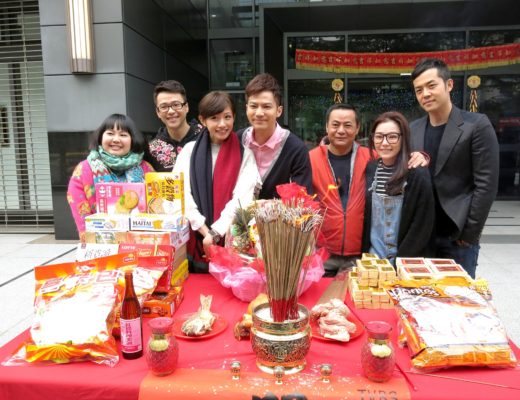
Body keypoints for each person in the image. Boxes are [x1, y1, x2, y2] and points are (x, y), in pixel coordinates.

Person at [310, 104, 429, 277]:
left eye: (348, 125)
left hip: (360, 255)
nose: (341, 130)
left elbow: (396, 158)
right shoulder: (310, 158)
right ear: (327, 127)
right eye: (335, 125)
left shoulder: (371, 158)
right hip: (322, 253)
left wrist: (421, 156)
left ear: (357, 128)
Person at [410, 58, 499, 278]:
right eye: (419, 90)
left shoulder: (475, 125)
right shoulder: (413, 129)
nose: (425, 94)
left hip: (457, 236)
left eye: (431, 86)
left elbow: (486, 185)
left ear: (449, 85)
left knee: (458, 296)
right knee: (422, 295)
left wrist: (469, 234)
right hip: (422, 236)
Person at [173, 91, 260, 273]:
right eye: (214, 118)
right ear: (203, 120)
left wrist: (215, 233)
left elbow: (242, 200)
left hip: (231, 241)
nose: (222, 124)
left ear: (234, 117)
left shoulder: (245, 154)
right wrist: (205, 231)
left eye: (227, 117)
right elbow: (180, 194)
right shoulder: (189, 151)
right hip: (194, 239)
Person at [361, 112, 435, 264]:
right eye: (379, 136)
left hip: (404, 260)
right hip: (373, 259)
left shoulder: (416, 173)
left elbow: (422, 225)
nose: (384, 143)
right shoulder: (371, 168)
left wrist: (400, 264)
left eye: (392, 137)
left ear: (403, 138)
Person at [67, 114, 154, 241]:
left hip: (140, 241)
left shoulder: (146, 168)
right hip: (101, 242)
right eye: (110, 133)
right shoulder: (84, 169)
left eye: (123, 135)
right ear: (101, 137)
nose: (116, 139)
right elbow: (80, 213)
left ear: (133, 139)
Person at [238, 73, 313, 199]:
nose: (259, 113)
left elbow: (302, 199)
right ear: (246, 109)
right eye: (253, 106)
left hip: (281, 213)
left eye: (266, 106)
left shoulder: (296, 149)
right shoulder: (238, 140)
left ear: (279, 111)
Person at [145, 80, 203, 172]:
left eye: (176, 104)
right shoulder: (151, 150)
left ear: (186, 107)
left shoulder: (206, 137)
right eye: (164, 107)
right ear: (158, 112)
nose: (171, 111)